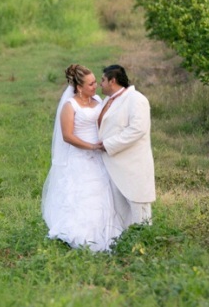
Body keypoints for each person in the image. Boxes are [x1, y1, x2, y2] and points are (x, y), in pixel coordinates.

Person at [42, 64, 129, 252]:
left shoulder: (98, 100)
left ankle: (107, 233)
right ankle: (80, 235)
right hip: (80, 156)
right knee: (83, 195)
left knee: (102, 193)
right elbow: (68, 136)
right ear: (79, 87)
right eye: (90, 84)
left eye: (96, 82)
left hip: (99, 156)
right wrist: (91, 146)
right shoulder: (70, 106)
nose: (95, 86)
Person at [97, 64, 156, 227]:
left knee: (139, 209)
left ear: (112, 81)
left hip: (132, 164)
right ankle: (125, 246)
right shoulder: (107, 101)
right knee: (120, 212)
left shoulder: (137, 99)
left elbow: (138, 130)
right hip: (113, 164)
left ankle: (145, 244)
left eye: (102, 80)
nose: (99, 84)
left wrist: (108, 144)